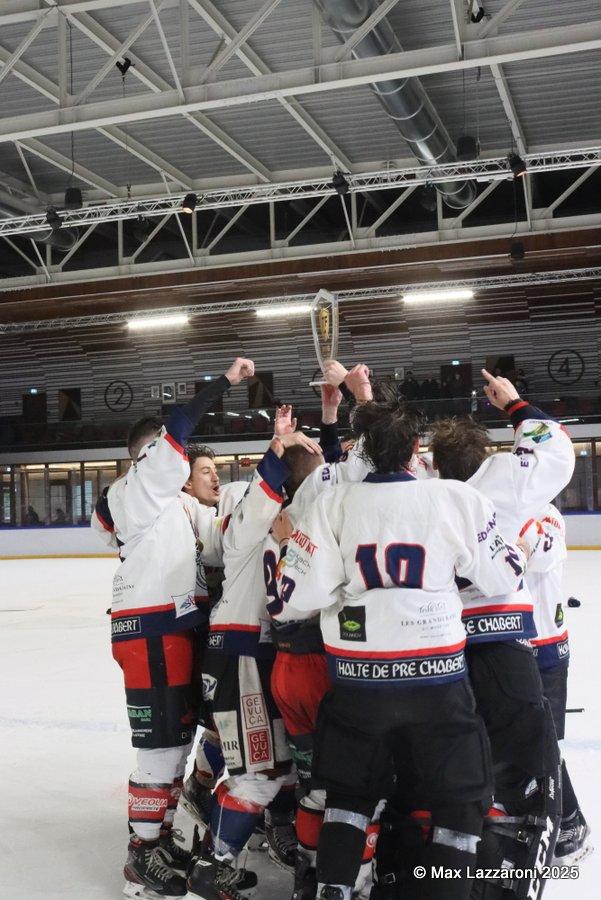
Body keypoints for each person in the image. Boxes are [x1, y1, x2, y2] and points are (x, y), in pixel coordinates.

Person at [277, 395, 534, 900]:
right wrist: (520, 552)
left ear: (364, 450)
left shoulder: (333, 503)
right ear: (416, 448)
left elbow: (296, 598)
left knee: (349, 797)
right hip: (437, 682)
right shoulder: (454, 497)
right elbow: (501, 576)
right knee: (458, 803)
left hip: (357, 681)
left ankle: (333, 891)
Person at [104, 358, 257, 899]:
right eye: (164, 449)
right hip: (152, 629)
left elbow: (217, 543)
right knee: (161, 748)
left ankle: (159, 839)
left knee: (175, 742)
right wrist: (225, 382)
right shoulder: (143, 486)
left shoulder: (167, 503)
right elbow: (178, 429)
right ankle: (141, 854)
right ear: (145, 456)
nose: (176, 455)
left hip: (171, 627)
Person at [426, 371, 576, 896]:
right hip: (515, 649)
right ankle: (548, 841)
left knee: (468, 776)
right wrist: (514, 406)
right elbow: (556, 450)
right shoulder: (514, 488)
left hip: (448, 655)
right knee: (534, 773)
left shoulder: (426, 500)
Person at [186, 428, 323, 900]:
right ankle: (213, 866)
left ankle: (220, 847)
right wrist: (279, 450)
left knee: (276, 768)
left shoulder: (283, 516)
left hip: (253, 654)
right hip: (240, 653)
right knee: (259, 775)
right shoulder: (250, 518)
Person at [526, 505, 591, 863]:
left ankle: (570, 820)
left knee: (546, 742)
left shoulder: (547, 514)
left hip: (547, 647)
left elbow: (538, 555)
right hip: (512, 642)